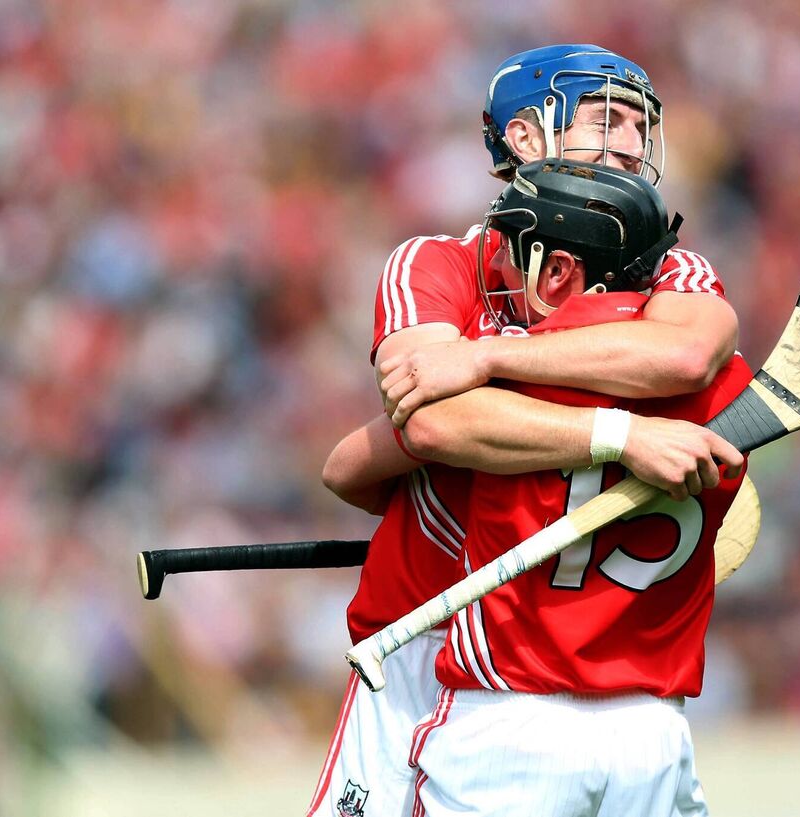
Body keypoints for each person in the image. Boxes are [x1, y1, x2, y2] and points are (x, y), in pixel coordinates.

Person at [307, 45, 740, 817]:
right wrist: (609, 425)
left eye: (641, 126)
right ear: (526, 139)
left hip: (547, 675)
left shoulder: (671, 269)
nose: (632, 144)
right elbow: (415, 426)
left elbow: (684, 351)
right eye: (608, 118)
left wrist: (483, 361)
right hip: (418, 636)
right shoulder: (435, 263)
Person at [400, 158, 752, 817]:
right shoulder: (731, 382)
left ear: (559, 269)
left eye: (513, 247)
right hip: (652, 734)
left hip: (508, 724)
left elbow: (416, 430)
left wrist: (485, 360)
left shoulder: (504, 373)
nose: (500, 265)